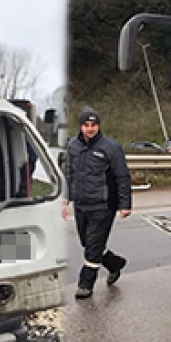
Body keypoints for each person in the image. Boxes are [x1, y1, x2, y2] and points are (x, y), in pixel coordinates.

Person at [63, 107, 131, 299]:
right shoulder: (73, 146)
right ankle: (114, 263)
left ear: (98, 126)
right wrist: (66, 195)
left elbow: (122, 177)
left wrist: (125, 204)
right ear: (81, 126)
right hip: (81, 204)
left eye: (93, 125)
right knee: (88, 242)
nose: (90, 128)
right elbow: (69, 172)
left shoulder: (111, 147)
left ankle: (85, 284)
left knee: (93, 247)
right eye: (86, 125)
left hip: (103, 205)